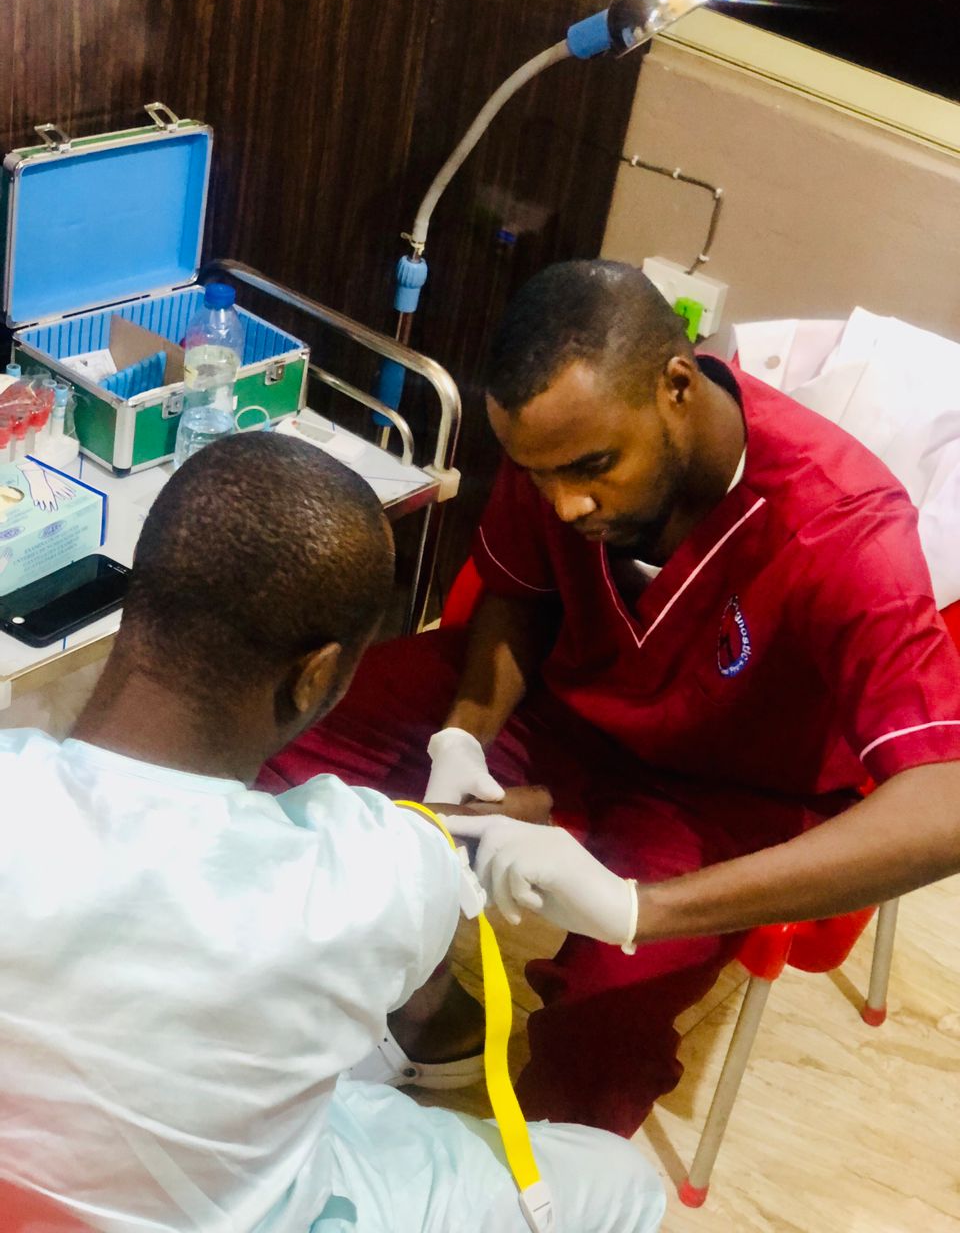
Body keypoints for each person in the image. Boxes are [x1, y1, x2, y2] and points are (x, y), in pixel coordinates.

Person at [260, 260, 960, 1137]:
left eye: (592, 468)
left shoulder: (841, 529)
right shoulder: (559, 446)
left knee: (605, 1025)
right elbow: (518, 591)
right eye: (538, 476)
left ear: (677, 387)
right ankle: (423, 1008)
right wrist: (465, 736)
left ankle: (554, 1169)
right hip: (567, 707)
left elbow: (945, 802)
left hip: (732, 789)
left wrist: (640, 910)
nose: (566, 504)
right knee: (291, 735)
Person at [0, 433, 666, 1232]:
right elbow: (430, 853)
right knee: (624, 1182)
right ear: (315, 675)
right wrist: (525, 837)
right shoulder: (358, 884)